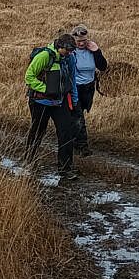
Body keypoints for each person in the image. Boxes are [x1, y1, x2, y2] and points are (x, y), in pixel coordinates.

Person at [24, 33, 80, 180]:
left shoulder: (70, 58)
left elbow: (72, 79)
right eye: (67, 51)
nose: (69, 54)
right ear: (59, 46)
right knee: (37, 131)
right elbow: (29, 76)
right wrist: (46, 89)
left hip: (60, 102)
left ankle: (65, 169)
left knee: (66, 133)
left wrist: (74, 100)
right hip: (40, 102)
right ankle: (29, 160)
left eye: (71, 51)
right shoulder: (44, 56)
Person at [71, 24, 108, 156]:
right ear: (73, 40)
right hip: (74, 89)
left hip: (88, 89)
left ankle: (73, 141)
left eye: (84, 40)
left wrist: (97, 51)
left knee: (78, 117)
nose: (81, 43)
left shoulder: (92, 50)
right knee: (78, 117)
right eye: (78, 41)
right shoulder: (70, 52)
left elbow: (103, 67)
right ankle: (82, 147)